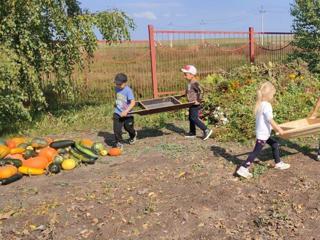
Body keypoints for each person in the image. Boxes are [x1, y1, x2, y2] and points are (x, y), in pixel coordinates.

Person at [236, 82, 290, 179]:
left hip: (263, 132)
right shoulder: (267, 105)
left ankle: (278, 163)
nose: (273, 96)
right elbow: (270, 119)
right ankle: (243, 168)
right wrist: (279, 129)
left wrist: (274, 127)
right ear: (269, 94)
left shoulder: (260, 104)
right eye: (273, 94)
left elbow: (265, 120)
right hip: (263, 134)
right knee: (256, 152)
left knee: (275, 144)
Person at [181, 65, 212, 140]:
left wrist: (198, 101)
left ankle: (206, 130)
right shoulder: (190, 82)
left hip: (195, 104)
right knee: (190, 118)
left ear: (191, 74)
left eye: (186, 74)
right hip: (191, 103)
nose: (184, 76)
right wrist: (183, 95)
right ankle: (192, 133)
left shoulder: (194, 82)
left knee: (194, 118)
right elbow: (189, 92)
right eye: (184, 74)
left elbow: (201, 91)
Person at [113, 73, 137, 149]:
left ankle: (133, 135)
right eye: (116, 84)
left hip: (128, 114)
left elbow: (133, 102)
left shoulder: (128, 91)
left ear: (125, 83)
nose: (118, 85)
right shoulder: (116, 88)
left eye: (120, 84)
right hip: (118, 112)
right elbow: (119, 97)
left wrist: (126, 111)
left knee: (128, 128)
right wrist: (116, 103)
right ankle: (119, 142)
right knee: (116, 129)